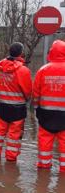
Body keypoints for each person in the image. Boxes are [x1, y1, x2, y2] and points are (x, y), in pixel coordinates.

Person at [0, 42, 32, 161]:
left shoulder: (0, 66)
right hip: (18, 108)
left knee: (0, 131)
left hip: (2, 105)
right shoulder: (23, 70)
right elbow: (28, 90)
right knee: (14, 135)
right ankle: (11, 160)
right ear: (21, 53)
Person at [32, 39, 65, 172]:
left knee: (45, 142)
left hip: (46, 114)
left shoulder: (43, 70)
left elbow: (36, 93)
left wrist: (36, 108)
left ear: (51, 52)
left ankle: (44, 168)